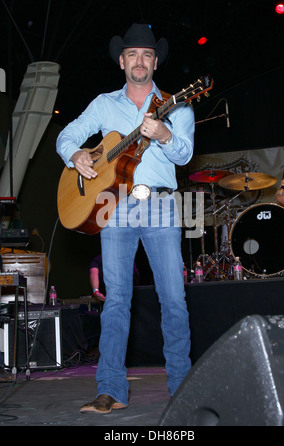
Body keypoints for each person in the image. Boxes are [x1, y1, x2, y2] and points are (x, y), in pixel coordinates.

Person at [56, 23, 194, 414]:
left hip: (161, 206)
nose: (139, 60)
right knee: (116, 300)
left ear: (155, 63)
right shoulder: (103, 104)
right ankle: (111, 389)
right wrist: (77, 156)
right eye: (132, 53)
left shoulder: (178, 105)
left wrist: (165, 136)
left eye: (147, 54)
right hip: (111, 205)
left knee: (174, 299)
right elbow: (67, 136)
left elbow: (184, 155)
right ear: (122, 61)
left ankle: (182, 388)